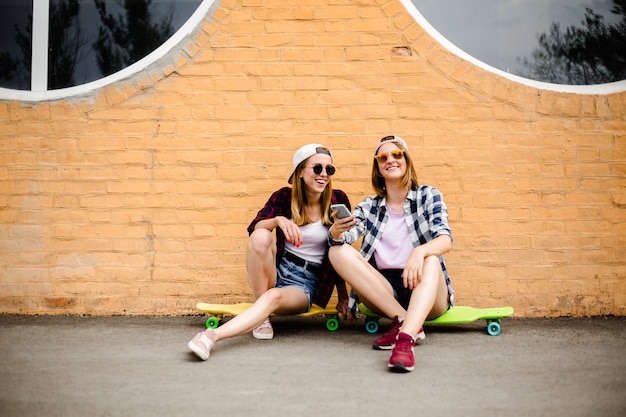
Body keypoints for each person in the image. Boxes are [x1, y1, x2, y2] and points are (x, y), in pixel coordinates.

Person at [188, 144, 351, 361]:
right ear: (300, 172)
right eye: (317, 168)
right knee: (261, 235)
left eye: (329, 170)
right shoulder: (284, 197)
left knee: (273, 296)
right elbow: (254, 227)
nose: (324, 175)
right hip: (275, 270)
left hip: (304, 283)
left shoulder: (337, 201)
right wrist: (278, 220)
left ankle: (211, 336)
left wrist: (343, 295)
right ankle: (262, 316)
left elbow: (339, 249)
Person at [327, 135, 454, 372]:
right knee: (336, 252)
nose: (390, 160)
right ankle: (405, 321)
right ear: (378, 167)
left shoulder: (429, 195)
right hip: (385, 292)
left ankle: (405, 340)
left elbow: (445, 239)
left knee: (431, 258)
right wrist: (336, 231)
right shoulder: (369, 206)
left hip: (426, 288)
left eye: (396, 154)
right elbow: (347, 236)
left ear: (406, 160)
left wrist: (419, 251)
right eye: (383, 157)